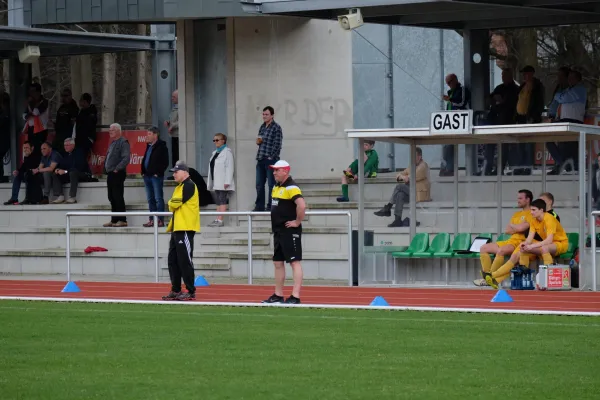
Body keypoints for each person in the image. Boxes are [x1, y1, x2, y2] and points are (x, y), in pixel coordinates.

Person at [485, 198, 569, 289]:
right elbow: (529, 239)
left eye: (533, 210)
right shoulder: (533, 220)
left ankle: (547, 280)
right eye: (531, 210)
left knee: (545, 248)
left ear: (541, 210)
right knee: (523, 249)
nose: (531, 212)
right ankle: (501, 276)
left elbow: (549, 240)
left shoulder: (549, 219)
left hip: (559, 243)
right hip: (544, 244)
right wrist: (525, 244)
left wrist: (532, 246)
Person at [262, 160, 306, 304]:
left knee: (294, 262)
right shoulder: (276, 186)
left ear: (285, 171)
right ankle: (278, 294)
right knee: (278, 262)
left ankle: (295, 295)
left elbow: (302, 205)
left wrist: (297, 222)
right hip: (278, 231)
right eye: (274, 170)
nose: (274, 173)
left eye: (277, 170)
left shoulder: (291, 187)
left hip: (289, 230)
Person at [474, 190, 534, 287]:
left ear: (528, 199)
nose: (518, 200)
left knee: (501, 251)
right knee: (483, 248)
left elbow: (521, 228)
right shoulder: (516, 214)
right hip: (510, 240)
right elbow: (507, 230)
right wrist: (517, 227)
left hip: (519, 242)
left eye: (520, 198)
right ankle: (487, 276)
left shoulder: (531, 213)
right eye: (518, 198)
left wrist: (514, 226)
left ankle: (490, 277)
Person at [162, 161, 200, 301]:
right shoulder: (180, 187)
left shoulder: (189, 185)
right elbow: (172, 203)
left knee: (185, 260)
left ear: (185, 172)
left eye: (176, 172)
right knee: (173, 260)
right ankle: (176, 289)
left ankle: (190, 290)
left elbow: (173, 203)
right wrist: (172, 202)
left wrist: (172, 202)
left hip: (185, 227)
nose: (174, 174)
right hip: (177, 227)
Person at [207, 133, 235, 227]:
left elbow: (230, 167)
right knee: (218, 201)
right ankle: (217, 218)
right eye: (214, 140)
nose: (215, 142)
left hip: (223, 181)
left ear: (223, 141)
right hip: (216, 180)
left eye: (217, 140)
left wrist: (227, 181)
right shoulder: (215, 153)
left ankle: (220, 220)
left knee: (222, 200)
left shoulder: (227, 152)